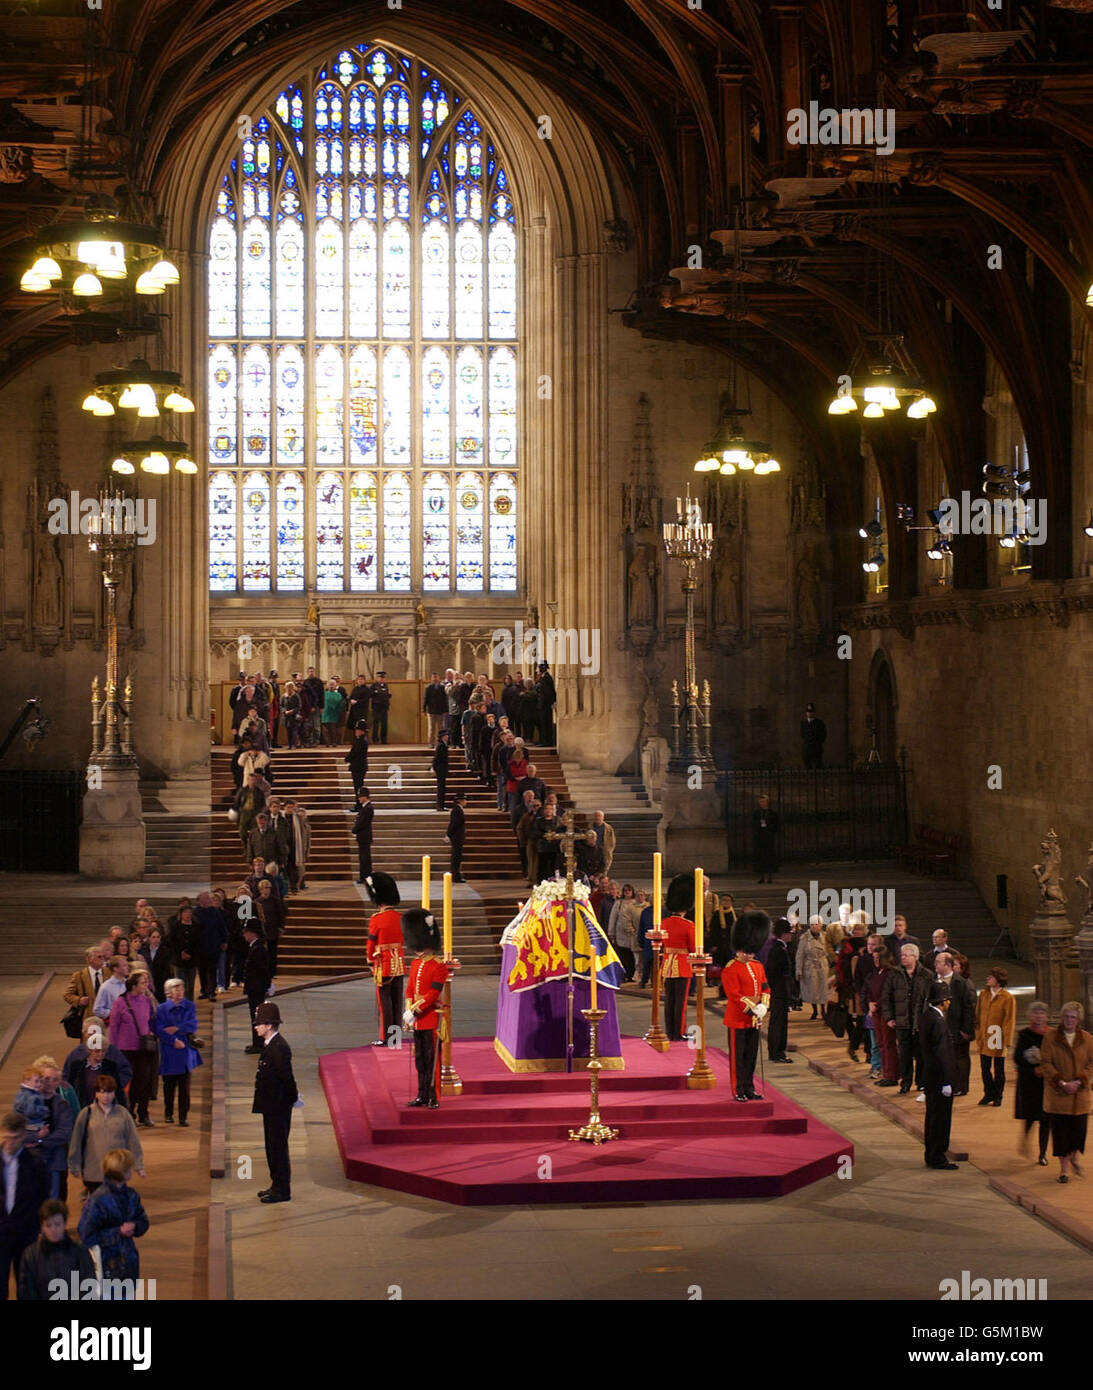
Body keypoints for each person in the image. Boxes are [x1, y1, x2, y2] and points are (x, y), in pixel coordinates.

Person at [77, 1148, 149, 1294]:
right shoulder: (98, 1200)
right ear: (123, 1172)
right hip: (107, 1266)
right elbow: (86, 1235)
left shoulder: (131, 1196)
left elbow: (143, 1221)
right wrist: (118, 1232)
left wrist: (135, 1226)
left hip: (127, 1265)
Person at [1037, 1001, 1093, 1184]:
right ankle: (1064, 1170)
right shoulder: (1050, 1037)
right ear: (1062, 1018)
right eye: (1067, 1017)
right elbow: (1045, 1063)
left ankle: (1073, 1157)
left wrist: (1079, 1081)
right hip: (1059, 1095)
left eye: (1073, 1017)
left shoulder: (1088, 1039)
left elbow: (1091, 1063)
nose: (1069, 1020)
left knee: (1078, 1133)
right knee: (1061, 1135)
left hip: (1079, 1096)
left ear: (1079, 1020)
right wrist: (1061, 1082)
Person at [401, 908, 450, 1109]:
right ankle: (421, 1094)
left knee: (432, 1059)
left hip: (431, 1019)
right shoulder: (415, 964)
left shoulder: (439, 966)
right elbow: (410, 988)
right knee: (420, 1059)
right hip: (417, 1019)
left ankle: (432, 1095)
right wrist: (407, 1011)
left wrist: (415, 1010)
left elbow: (433, 994)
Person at [252, 1002, 298, 1203]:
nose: (256, 1026)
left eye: (259, 1023)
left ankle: (281, 1189)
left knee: (277, 1148)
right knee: (272, 1147)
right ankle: (275, 1185)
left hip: (277, 1107)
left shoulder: (278, 1048)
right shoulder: (272, 1045)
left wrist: (291, 1099)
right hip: (272, 1106)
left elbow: (287, 1079)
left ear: (269, 1025)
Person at [0, 1114, 50, 1301]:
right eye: (6, 1138)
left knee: (26, 1288)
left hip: (26, 1235)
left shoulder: (36, 1164)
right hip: (1, 1234)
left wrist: (39, 1229)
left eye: (14, 1138)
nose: (10, 1143)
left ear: (22, 1136)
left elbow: (43, 1199)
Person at [68, 1077, 144, 1196]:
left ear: (114, 1093)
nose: (106, 1096)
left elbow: (133, 1140)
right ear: (96, 1093)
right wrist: (74, 1165)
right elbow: (76, 1141)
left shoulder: (123, 1113)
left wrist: (138, 1165)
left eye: (109, 1092)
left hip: (118, 1170)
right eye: (102, 1092)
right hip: (93, 1171)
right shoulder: (86, 1113)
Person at [724, 912, 772, 1101]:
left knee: (751, 1056)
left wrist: (764, 1006)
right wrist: (753, 1007)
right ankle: (738, 1089)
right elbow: (734, 995)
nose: (749, 955)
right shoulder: (730, 968)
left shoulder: (758, 966)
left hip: (755, 1019)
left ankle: (749, 1087)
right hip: (738, 1019)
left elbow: (765, 987)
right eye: (747, 951)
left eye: (751, 952)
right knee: (738, 1058)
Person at [17, 1197, 96, 1300]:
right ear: (42, 1227)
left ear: (64, 1224)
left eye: (57, 1224)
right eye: (48, 1225)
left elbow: (89, 1287)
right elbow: (27, 1293)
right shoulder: (30, 1255)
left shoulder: (80, 1252)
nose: (53, 1230)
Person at [108, 971, 158, 1127]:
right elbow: (113, 1027)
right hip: (126, 1050)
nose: (146, 985)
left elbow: (151, 1021)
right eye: (143, 983)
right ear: (134, 985)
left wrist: (152, 1032)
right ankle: (130, 1113)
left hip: (144, 1048)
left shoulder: (147, 1001)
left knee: (144, 1082)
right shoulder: (120, 1002)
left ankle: (144, 1113)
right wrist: (113, 1050)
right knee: (131, 1083)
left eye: (146, 982)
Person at [881, 942, 932, 1094]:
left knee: (921, 1054)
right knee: (904, 1055)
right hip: (901, 1022)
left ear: (915, 957)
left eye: (906, 955)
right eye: (901, 955)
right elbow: (886, 997)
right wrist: (889, 1017)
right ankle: (906, 1082)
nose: (902, 957)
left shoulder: (927, 975)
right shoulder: (894, 974)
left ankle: (921, 1082)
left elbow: (930, 998)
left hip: (919, 1022)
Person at [920, 978, 959, 1170]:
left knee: (932, 1117)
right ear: (942, 1001)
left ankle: (932, 1154)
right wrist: (947, 1081)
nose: (949, 1003)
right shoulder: (938, 1021)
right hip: (939, 1079)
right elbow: (942, 1052)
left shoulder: (926, 1016)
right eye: (947, 999)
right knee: (940, 1120)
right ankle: (937, 1157)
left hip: (930, 1076)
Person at [154, 979, 201, 1125]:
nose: (180, 992)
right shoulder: (161, 1009)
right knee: (168, 1085)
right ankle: (168, 1113)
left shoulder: (189, 1006)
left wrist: (176, 1029)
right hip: (169, 1050)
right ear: (168, 992)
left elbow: (192, 1025)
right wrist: (173, 1040)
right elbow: (159, 1030)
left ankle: (183, 1116)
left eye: (181, 989)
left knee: (184, 1087)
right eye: (176, 989)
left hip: (185, 1051)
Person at [365, 873, 405, 1044]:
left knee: (385, 1004)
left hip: (383, 965)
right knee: (397, 1002)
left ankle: (386, 1037)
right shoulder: (400, 918)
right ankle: (396, 1037)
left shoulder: (376, 919)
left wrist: (369, 960)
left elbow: (371, 943)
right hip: (399, 963)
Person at [63, 1021, 132, 1110]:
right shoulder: (76, 1065)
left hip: (106, 1109)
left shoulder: (111, 1065)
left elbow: (119, 1090)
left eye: (103, 1051)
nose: (100, 1054)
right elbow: (68, 1085)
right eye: (97, 1051)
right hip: (81, 1108)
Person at [1014, 1001, 1051, 1167]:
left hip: (1047, 1082)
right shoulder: (1024, 1034)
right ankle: (1026, 1139)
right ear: (1030, 1016)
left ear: (1046, 1016)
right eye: (1036, 1013)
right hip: (1029, 1081)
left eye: (1042, 1013)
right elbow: (1017, 1057)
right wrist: (1032, 1067)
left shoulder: (1051, 1035)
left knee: (1046, 1118)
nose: (1039, 1016)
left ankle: (1042, 1153)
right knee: (1030, 1115)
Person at [660, 874, 696, 1042]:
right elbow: (693, 948)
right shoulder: (689, 925)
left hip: (667, 963)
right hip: (682, 965)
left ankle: (670, 1031)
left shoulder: (664, 922)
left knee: (669, 1000)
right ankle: (679, 1032)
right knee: (680, 1003)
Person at [975, 966, 1016, 1107]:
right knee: (984, 1068)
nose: (988, 979)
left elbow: (1009, 1019)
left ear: (998, 980)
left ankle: (998, 1095)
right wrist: (978, 1033)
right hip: (985, 1035)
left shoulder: (1007, 997)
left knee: (999, 1069)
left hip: (997, 1035)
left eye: (991, 977)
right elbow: (978, 1014)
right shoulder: (983, 995)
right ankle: (988, 1093)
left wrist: (1007, 1039)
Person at [934, 952, 975, 1095]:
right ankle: (948, 1083)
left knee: (960, 1057)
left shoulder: (960, 983)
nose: (935, 964)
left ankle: (961, 1086)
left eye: (938, 962)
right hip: (940, 1027)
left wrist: (966, 1029)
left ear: (947, 965)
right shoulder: (934, 981)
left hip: (957, 1027)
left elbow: (968, 1007)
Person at [866, 944, 900, 1086]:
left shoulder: (891, 973)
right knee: (880, 1043)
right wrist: (869, 1003)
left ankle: (892, 1075)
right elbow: (870, 989)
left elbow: (888, 994)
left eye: (877, 959)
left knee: (888, 1044)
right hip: (876, 1012)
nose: (875, 961)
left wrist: (877, 1005)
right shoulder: (876, 972)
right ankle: (885, 1073)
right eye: (873, 958)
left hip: (886, 1012)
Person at [765, 917, 794, 1063]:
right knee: (778, 1024)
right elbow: (779, 974)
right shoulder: (779, 950)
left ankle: (777, 1051)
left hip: (778, 992)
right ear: (784, 934)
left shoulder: (777, 948)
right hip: (779, 992)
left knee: (778, 1022)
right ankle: (777, 1052)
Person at [242, 926, 273, 1054]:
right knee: (256, 1016)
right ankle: (257, 1042)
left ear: (252, 934)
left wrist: (266, 985)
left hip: (256, 988)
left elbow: (262, 970)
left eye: (245, 933)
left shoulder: (258, 949)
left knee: (257, 1017)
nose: (244, 936)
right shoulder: (256, 947)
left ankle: (259, 1044)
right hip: (256, 987)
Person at [62, 946, 107, 1031]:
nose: (103, 959)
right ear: (90, 959)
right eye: (99, 957)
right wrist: (79, 1000)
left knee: (105, 1041)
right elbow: (67, 994)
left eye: (103, 956)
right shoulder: (79, 976)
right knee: (91, 1042)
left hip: (106, 1017)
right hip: (89, 1017)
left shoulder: (109, 973)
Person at [796, 915, 828, 1021]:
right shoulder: (805, 938)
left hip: (822, 964)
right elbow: (800, 954)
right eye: (812, 924)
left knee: (823, 989)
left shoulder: (825, 936)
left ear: (821, 924)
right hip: (810, 965)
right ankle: (815, 1010)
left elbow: (829, 950)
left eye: (817, 924)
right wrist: (799, 970)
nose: (814, 926)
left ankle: (823, 1009)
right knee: (812, 989)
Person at [254, 878, 285, 982]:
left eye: (269, 888)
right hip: (262, 931)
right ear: (260, 889)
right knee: (262, 953)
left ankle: (272, 972)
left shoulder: (275, 900)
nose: (267, 890)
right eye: (265, 888)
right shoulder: (257, 902)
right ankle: (262, 971)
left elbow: (280, 915)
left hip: (273, 929)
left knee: (272, 952)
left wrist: (281, 928)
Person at [608, 884, 640, 983]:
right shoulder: (619, 903)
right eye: (625, 890)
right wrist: (611, 932)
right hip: (621, 933)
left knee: (632, 955)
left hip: (633, 933)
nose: (627, 892)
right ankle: (623, 975)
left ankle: (631, 975)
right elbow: (613, 918)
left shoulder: (636, 903)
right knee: (623, 955)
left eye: (629, 890)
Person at [91, 956, 129, 1023]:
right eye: (124, 965)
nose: (127, 968)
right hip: (115, 1024)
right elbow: (97, 1010)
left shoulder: (129, 984)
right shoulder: (106, 987)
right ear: (115, 968)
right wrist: (114, 1013)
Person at [138, 927, 171, 1003]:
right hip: (147, 982)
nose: (156, 939)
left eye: (158, 937)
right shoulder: (143, 951)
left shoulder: (166, 951)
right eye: (153, 937)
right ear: (149, 938)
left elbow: (166, 969)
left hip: (160, 983)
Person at [752, 795, 779, 883]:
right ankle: (762, 876)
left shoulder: (772, 813)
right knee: (760, 857)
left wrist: (770, 830)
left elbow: (776, 825)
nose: (762, 803)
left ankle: (770, 876)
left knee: (769, 857)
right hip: (760, 837)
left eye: (764, 801)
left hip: (769, 837)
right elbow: (753, 824)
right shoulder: (756, 813)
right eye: (761, 802)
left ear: (767, 802)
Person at [353, 787, 375, 885]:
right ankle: (365, 876)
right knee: (364, 858)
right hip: (363, 836)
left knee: (364, 859)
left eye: (360, 796)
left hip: (364, 837)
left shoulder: (368, 808)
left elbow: (362, 822)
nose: (359, 799)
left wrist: (354, 830)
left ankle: (364, 877)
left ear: (365, 797)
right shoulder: (366, 808)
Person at [446, 790, 467, 883]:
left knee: (457, 857)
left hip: (458, 837)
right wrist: (448, 834)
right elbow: (453, 824)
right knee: (456, 857)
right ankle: (456, 876)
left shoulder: (458, 809)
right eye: (464, 800)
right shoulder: (457, 810)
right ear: (460, 801)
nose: (466, 802)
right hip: (456, 837)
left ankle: (456, 876)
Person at [536, 662, 556, 746]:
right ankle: (544, 740)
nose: (537, 670)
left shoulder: (546, 678)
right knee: (543, 723)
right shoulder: (544, 678)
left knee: (546, 723)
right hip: (543, 705)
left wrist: (546, 703)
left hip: (545, 705)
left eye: (538, 668)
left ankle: (547, 742)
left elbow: (548, 693)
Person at [801, 702, 826, 769]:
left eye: (811, 711)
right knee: (807, 768)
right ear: (806, 713)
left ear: (814, 712)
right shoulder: (803, 723)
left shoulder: (819, 723)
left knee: (818, 768)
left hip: (816, 748)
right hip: (807, 748)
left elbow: (823, 735)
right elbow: (803, 735)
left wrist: (818, 743)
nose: (809, 713)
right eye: (808, 711)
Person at [321, 678, 345, 745]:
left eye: (333, 685)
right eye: (330, 684)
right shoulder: (324, 694)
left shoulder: (338, 695)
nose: (331, 686)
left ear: (335, 686)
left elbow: (340, 704)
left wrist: (338, 710)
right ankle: (327, 742)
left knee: (333, 729)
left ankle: (334, 742)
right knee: (325, 730)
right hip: (325, 714)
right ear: (327, 685)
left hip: (334, 714)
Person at [370, 671, 391, 744]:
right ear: (377, 678)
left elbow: (387, 694)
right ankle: (375, 739)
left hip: (384, 707)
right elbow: (370, 695)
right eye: (380, 678)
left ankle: (384, 739)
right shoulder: (373, 686)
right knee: (376, 723)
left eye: (383, 678)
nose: (381, 679)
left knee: (384, 724)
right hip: (376, 707)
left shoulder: (385, 685)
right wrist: (376, 692)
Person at [432, 731, 449, 812]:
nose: (447, 737)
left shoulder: (443, 745)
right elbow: (437, 758)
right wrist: (435, 768)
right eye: (446, 735)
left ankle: (441, 805)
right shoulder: (441, 746)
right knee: (441, 788)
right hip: (440, 769)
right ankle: (440, 806)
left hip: (442, 768)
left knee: (442, 788)